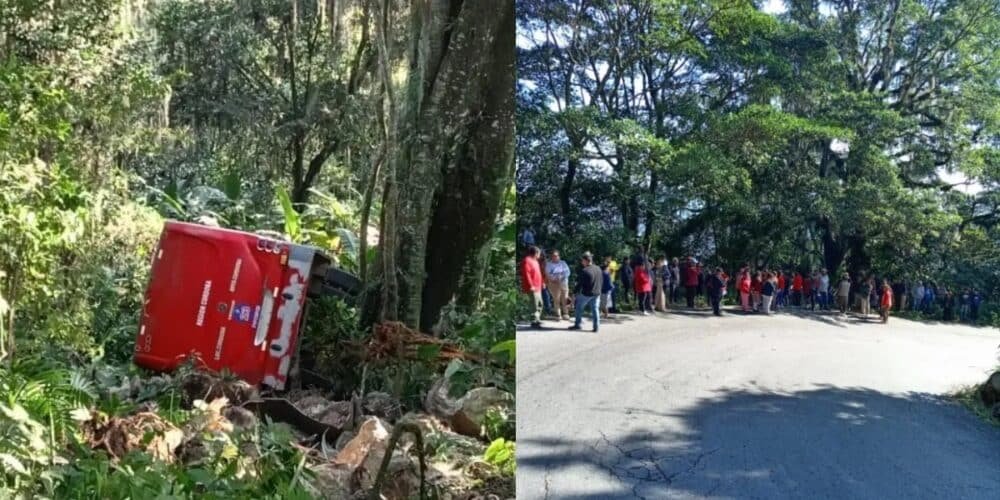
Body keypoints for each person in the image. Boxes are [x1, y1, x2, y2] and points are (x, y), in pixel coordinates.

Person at [569, 252, 602, 332]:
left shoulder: (585, 271)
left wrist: (574, 293)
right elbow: (601, 281)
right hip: (597, 293)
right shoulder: (598, 268)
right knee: (595, 309)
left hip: (586, 294)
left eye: (582, 260)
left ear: (585, 260)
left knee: (579, 308)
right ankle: (596, 327)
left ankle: (577, 324)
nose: (581, 262)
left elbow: (579, 284)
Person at [519, 246, 544, 328]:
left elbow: (538, 273)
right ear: (536, 253)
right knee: (534, 304)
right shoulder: (527, 260)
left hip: (538, 286)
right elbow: (526, 274)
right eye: (539, 253)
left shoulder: (536, 261)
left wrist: (542, 282)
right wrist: (531, 285)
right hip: (532, 287)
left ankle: (537, 319)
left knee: (540, 303)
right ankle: (534, 321)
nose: (540, 255)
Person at [545, 250, 571, 321]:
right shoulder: (549, 264)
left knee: (565, 298)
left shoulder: (563, 263)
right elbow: (547, 274)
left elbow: (568, 272)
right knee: (556, 299)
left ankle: (565, 313)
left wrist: (562, 277)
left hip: (564, 283)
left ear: (559, 256)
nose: (554, 257)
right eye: (553, 256)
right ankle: (558, 314)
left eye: (556, 256)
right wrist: (554, 279)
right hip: (554, 284)